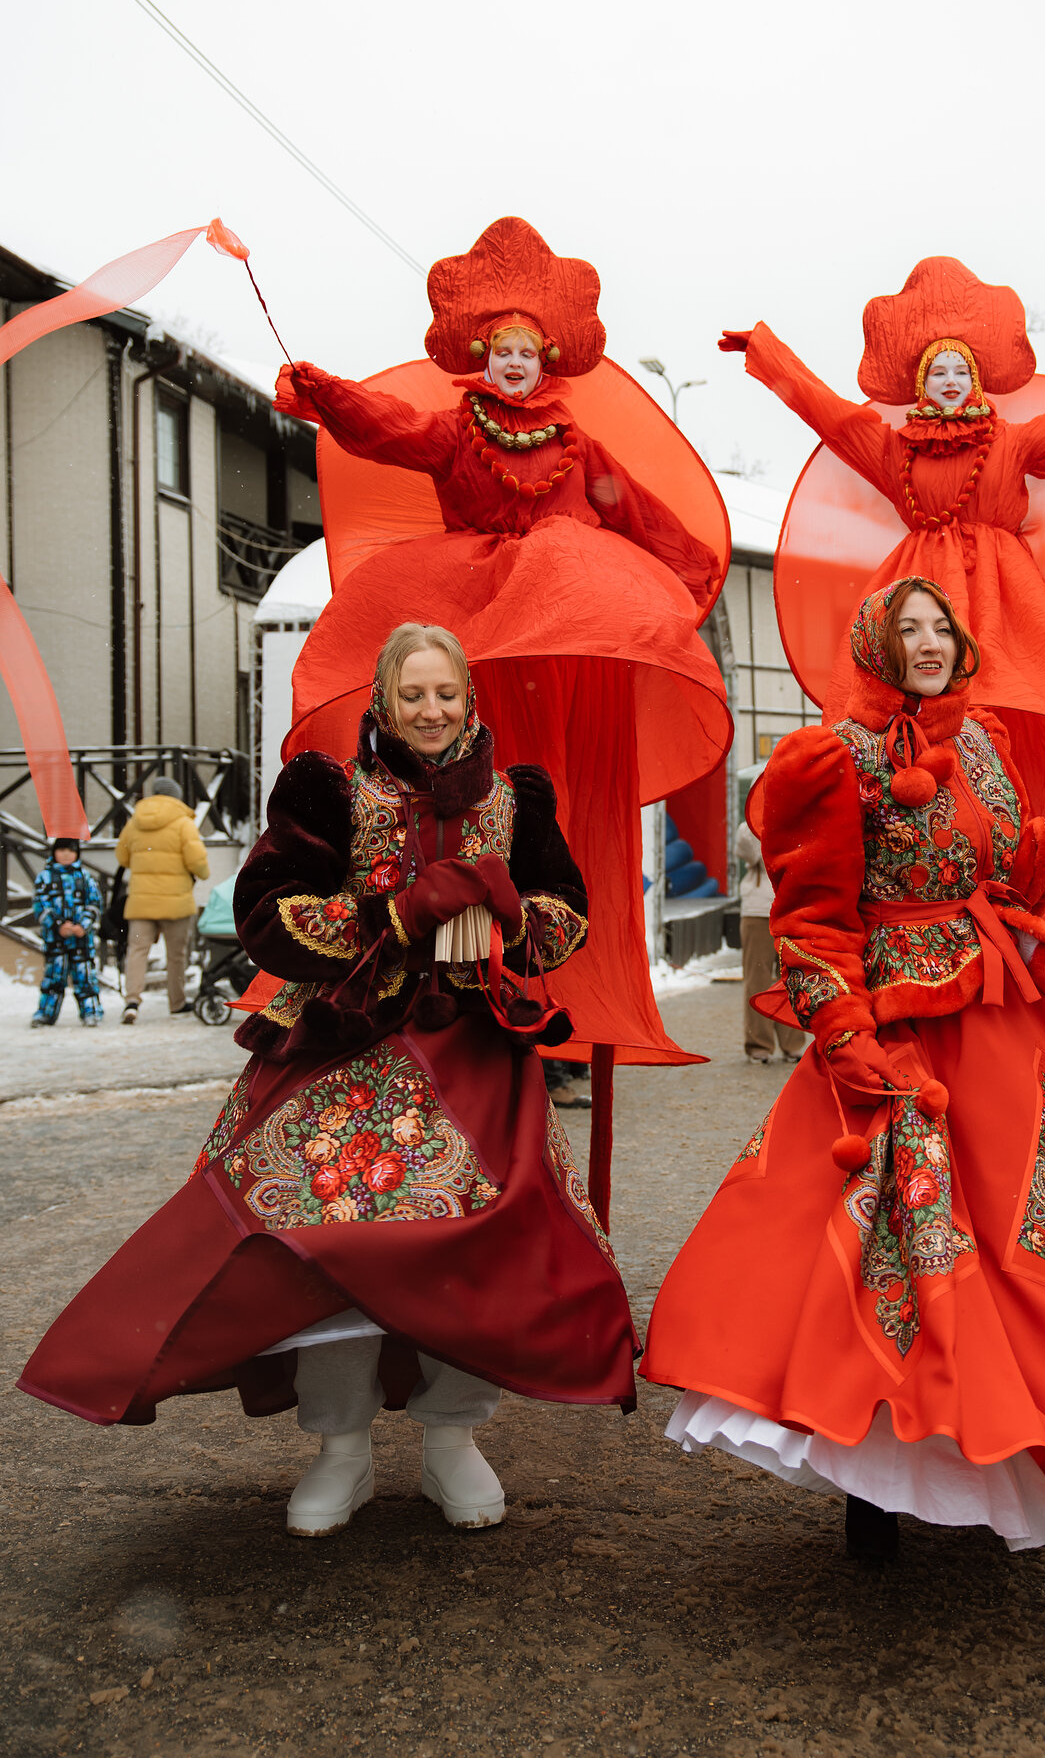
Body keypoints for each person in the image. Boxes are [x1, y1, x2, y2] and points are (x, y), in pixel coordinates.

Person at [642, 576, 1045, 1560]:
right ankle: (873, 1484)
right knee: (900, 1258)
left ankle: (1028, 1448)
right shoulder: (833, 760)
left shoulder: (981, 744)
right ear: (873, 645)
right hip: (901, 1040)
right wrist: (845, 1035)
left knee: (1034, 1248)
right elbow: (809, 923)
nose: (929, 643)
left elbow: (1017, 867)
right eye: (908, 629)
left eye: (941, 628)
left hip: (1007, 1031)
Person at [20, 624, 636, 1540]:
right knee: (318, 1242)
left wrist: (509, 912)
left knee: (489, 1248)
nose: (431, 711)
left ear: (471, 699)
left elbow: (567, 918)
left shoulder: (518, 799)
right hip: (344, 1048)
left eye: (446, 694)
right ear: (384, 701)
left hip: (477, 1058)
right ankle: (341, 1448)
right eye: (412, 695)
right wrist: (396, 911)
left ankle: (452, 1438)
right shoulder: (329, 791)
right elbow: (267, 917)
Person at [719, 259, 1045, 1062]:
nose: (952, 382)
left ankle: (1027, 954)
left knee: (1015, 755)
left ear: (978, 380)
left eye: (962, 370)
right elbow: (831, 415)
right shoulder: (894, 451)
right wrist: (769, 355)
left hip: (1006, 613)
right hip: (919, 591)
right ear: (921, 386)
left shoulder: (1014, 440)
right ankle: (893, 940)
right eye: (939, 372)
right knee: (893, 751)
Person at [271, 216, 732, 1097]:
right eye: (501, 350)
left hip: (558, 634)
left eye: (527, 351)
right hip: (480, 627)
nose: (514, 363)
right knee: (472, 802)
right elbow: (389, 430)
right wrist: (328, 394)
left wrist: (682, 579)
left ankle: (554, 1014)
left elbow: (636, 513)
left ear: (547, 360)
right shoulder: (456, 432)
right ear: (482, 358)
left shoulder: (578, 446)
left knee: (543, 817)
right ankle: (454, 1005)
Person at [114, 775, 209, 1022]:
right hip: (175, 902)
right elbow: (197, 862)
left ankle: (132, 1002)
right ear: (176, 796)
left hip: (141, 902)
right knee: (176, 954)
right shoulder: (183, 822)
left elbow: (122, 857)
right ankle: (177, 1002)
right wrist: (202, 872)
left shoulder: (135, 821)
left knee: (137, 951)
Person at [735, 818, 805, 1065]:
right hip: (758, 911)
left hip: (791, 910)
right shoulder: (752, 824)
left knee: (793, 979)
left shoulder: (797, 819)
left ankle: (792, 1044)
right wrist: (760, 819)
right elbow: (747, 851)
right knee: (757, 978)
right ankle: (758, 1044)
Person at [30, 838, 103, 1027]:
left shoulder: (85, 877)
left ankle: (91, 1011)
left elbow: (95, 903)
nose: (65, 854)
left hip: (81, 939)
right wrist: (58, 924)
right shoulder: (45, 877)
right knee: (54, 977)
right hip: (55, 938)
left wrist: (83, 925)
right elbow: (40, 905)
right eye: (61, 850)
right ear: (54, 852)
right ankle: (46, 1013)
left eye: (70, 850)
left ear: (77, 853)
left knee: (85, 976)